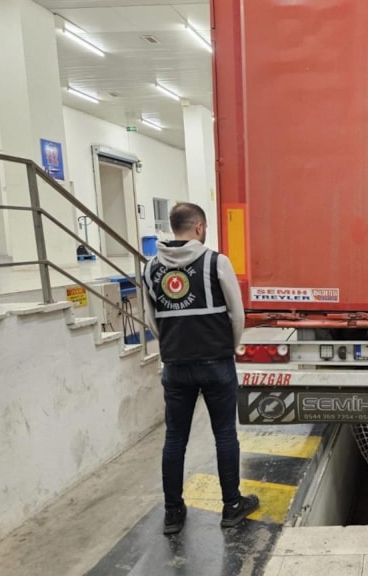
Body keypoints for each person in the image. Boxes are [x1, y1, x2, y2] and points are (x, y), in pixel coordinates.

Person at [143, 202, 258, 535]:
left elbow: (151, 320)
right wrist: (228, 347)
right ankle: (232, 506)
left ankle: (173, 513)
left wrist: (174, 347)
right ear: (199, 227)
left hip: (175, 365)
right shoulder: (216, 262)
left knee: (175, 438)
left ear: (173, 227)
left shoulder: (150, 268)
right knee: (224, 434)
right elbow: (237, 314)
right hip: (216, 362)